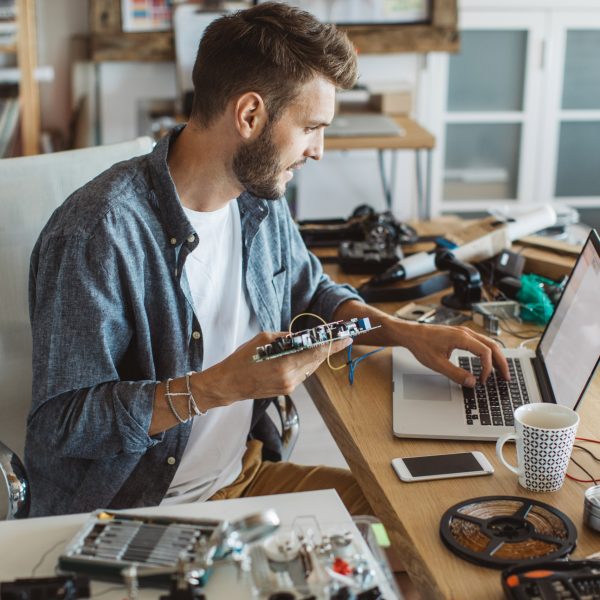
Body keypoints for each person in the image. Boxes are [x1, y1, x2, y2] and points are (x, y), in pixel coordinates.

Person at [26, 1, 509, 517]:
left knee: (426, 522)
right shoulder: (97, 232)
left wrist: (408, 334)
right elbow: (63, 426)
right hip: (132, 510)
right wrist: (219, 386)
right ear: (250, 114)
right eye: (311, 128)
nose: (319, 150)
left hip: (244, 477)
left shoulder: (257, 197)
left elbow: (312, 293)